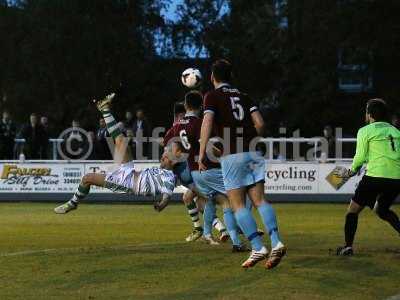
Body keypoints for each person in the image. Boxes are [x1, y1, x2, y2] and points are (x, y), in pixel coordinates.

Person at [199, 59, 286, 269]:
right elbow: (261, 124)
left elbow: (207, 122)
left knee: (237, 204)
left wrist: (202, 152)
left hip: (233, 154)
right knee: (260, 201)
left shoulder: (212, 96)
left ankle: (258, 246)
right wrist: (247, 137)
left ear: (213, 77)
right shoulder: (244, 96)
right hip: (254, 151)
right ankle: (276, 241)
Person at [54, 94, 177, 214]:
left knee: (87, 178)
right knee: (121, 140)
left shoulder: (170, 177)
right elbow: (165, 145)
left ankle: (72, 203)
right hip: (129, 171)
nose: (162, 157)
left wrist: (161, 205)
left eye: (165, 157)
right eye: (163, 155)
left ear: (172, 162)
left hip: (125, 183)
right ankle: (105, 109)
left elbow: (167, 196)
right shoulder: (163, 170)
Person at [164, 91, 246, 251]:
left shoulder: (177, 126)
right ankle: (238, 240)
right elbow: (207, 147)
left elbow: (175, 152)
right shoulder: (200, 123)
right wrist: (223, 155)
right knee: (229, 201)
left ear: (186, 106)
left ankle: (208, 233)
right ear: (201, 107)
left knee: (210, 201)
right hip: (208, 168)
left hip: (195, 173)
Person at [335, 99, 400, 256]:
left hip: (374, 177)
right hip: (396, 179)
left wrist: (351, 171)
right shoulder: (396, 132)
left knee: (352, 210)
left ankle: (348, 246)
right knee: (381, 210)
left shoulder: (365, 131)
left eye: (366, 111)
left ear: (370, 114)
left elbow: (359, 157)